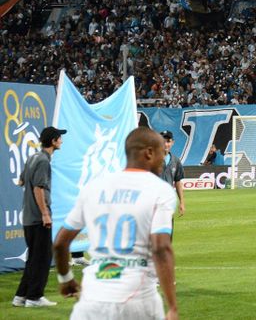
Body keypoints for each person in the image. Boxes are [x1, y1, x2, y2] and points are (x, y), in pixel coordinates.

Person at [52, 127, 179, 320]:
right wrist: (172, 307)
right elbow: (161, 248)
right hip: (138, 299)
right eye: (162, 152)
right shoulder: (160, 190)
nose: (164, 158)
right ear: (149, 153)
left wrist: (66, 279)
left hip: (91, 300)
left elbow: (60, 243)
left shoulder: (94, 188)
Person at [13, 126, 66, 309]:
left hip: (28, 217)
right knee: (42, 258)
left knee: (33, 258)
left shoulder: (32, 157)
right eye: (59, 137)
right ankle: (34, 297)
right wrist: (45, 213)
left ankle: (21, 296)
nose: (61, 140)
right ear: (53, 141)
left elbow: (21, 181)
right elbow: (38, 188)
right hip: (38, 218)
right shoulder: (43, 161)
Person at [157, 131, 185, 217]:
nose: (165, 144)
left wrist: (181, 202)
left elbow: (178, 182)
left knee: (168, 229)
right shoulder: (151, 159)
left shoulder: (176, 161)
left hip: (168, 202)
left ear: (172, 142)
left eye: (168, 141)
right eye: (163, 141)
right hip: (154, 203)